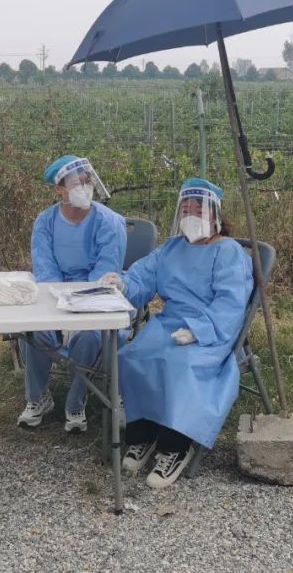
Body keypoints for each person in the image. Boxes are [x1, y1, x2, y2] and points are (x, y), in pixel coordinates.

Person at [99, 178, 252, 489]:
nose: (191, 214)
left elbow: (232, 302)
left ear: (215, 215)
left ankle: (175, 445)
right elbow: (142, 279)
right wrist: (123, 284)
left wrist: (199, 330)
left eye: (198, 208)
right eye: (185, 208)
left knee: (179, 365)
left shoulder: (229, 252)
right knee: (132, 355)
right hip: (170, 323)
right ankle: (143, 435)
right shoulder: (170, 249)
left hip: (211, 330)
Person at [18, 155, 127, 434]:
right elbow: (45, 270)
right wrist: (58, 313)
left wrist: (76, 314)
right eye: (77, 183)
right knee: (32, 330)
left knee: (89, 336)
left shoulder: (109, 222)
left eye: (87, 181)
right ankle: (38, 397)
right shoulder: (45, 222)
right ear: (59, 190)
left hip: (95, 300)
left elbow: (104, 274)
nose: (84, 187)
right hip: (54, 296)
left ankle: (76, 401)